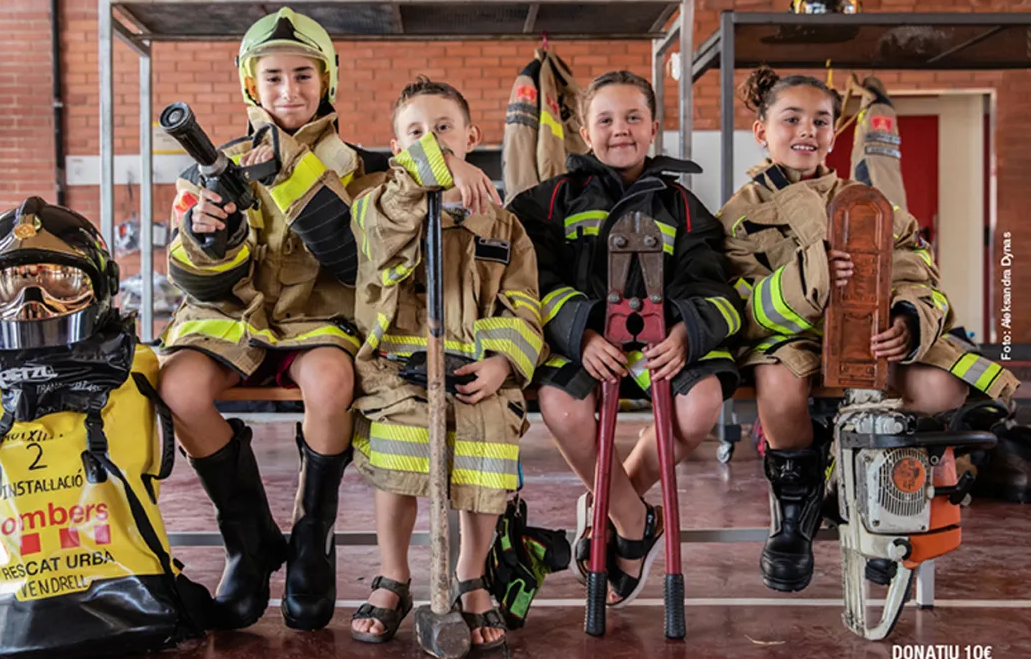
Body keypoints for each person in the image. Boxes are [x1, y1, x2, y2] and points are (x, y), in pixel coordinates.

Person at [717, 66, 1020, 594]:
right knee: (779, 384)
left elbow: (917, 272)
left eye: (821, 120)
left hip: (871, 336)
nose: (807, 131)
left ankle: (885, 504)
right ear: (761, 130)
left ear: (835, 133)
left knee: (938, 386)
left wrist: (906, 320)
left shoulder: (870, 204)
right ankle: (797, 512)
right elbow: (741, 307)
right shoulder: (738, 217)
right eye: (791, 119)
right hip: (789, 342)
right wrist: (806, 280)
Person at [157, 7, 384, 631]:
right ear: (250, 84)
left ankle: (314, 537)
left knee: (333, 382)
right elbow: (192, 279)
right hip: (233, 318)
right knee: (178, 387)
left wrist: (287, 174)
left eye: (304, 75)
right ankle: (249, 541)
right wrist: (212, 240)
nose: (289, 91)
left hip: (318, 320)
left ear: (328, 79)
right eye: (274, 77)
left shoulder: (367, 168)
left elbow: (352, 263)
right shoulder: (205, 170)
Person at [507, 70, 743, 608]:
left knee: (701, 402)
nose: (621, 130)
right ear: (584, 132)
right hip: (584, 342)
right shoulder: (546, 203)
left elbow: (714, 284)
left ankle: (607, 508)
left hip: (663, 345)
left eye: (634, 117)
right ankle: (634, 523)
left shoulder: (685, 208)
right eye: (606, 119)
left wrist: (687, 331)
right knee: (562, 407)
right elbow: (531, 281)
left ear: (654, 126)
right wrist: (581, 332)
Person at [347, 76, 545, 651]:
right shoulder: (380, 206)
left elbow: (524, 303)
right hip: (398, 367)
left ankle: (470, 577)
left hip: (476, 369)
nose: (430, 139)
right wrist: (437, 167)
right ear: (395, 150)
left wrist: (503, 363)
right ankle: (394, 575)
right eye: (415, 133)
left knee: (486, 443)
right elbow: (387, 229)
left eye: (443, 129)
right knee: (400, 443)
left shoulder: (503, 225)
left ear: (472, 135)